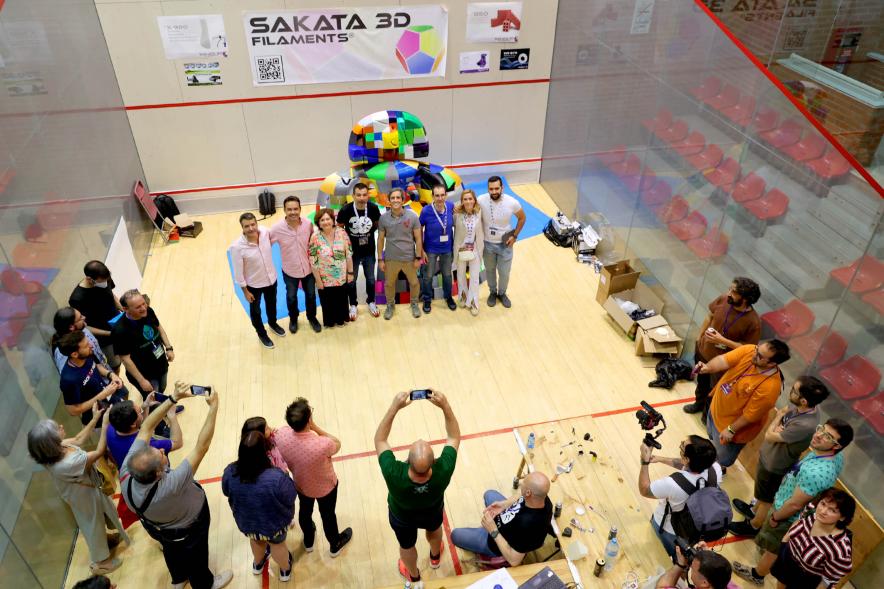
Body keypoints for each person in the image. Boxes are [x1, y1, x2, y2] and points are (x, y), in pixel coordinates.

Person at [120, 383, 232, 589]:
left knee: (172, 551)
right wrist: (213, 407)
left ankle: (179, 579)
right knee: (198, 556)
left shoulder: (128, 470)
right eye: (160, 455)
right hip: (189, 526)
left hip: (161, 527)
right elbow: (202, 447)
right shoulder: (171, 484)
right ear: (158, 474)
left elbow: (145, 428)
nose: (162, 452)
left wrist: (173, 398)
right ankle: (205, 584)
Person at [730, 419, 853, 586]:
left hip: (785, 516)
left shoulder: (815, 473)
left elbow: (795, 504)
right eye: (821, 429)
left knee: (773, 550)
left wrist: (775, 517)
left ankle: (757, 575)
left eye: (827, 436)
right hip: (786, 508)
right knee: (774, 548)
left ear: (837, 445)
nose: (818, 435)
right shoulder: (833, 455)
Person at [374, 390, 460, 587]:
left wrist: (394, 408)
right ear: (433, 463)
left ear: (407, 462)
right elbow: (454, 437)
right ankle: (435, 557)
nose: (421, 439)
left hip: (401, 518)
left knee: (406, 545)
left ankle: (413, 575)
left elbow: (380, 440)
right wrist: (445, 405)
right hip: (432, 512)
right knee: (435, 529)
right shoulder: (443, 469)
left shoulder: (393, 472)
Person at [27, 410, 129, 575]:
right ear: (52, 442)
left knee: (101, 515)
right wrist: (103, 425)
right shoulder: (66, 463)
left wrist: (94, 418)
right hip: (82, 496)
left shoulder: (58, 449)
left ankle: (105, 540)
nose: (61, 426)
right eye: (57, 428)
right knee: (92, 524)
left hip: (84, 490)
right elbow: (98, 452)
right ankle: (101, 563)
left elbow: (79, 439)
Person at [729, 377, 829, 535]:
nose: (790, 392)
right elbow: (774, 432)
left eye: (794, 391)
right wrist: (777, 427)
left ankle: (754, 526)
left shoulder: (804, 425)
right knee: (762, 492)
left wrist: (777, 418)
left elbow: (769, 435)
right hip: (770, 456)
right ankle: (754, 510)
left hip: (774, 465)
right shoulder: (804, 406)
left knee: (767, 498)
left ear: (803, 401)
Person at [274, 397, 353, 557]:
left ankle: (308, 541)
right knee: (328, 515)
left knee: (305, 512)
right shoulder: (322, 444)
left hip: (302, 486)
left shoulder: (281, 435)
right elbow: (336, 442)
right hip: (326, 489)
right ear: (308, 420)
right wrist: (315, 427)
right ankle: (334, 544)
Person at [696, 340, 790, 467]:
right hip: (715, 411)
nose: (754, 353)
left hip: (732, 429)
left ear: (772, 363)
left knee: (721, 460)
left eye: (760, 356)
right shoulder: (750, 350)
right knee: (711, 442)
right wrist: (708, 367)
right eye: (757, 349)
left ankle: (717, 472)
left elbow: (750, 416)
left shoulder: (770, 388)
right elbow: (723, 360)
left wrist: (731, 429)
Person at [222, 430, 297, 581]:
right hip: (274, 524)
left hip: (247, 522)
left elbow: (226, 491)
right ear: (264, 452)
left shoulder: (230, 472)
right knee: (277, 545)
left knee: (256, 540)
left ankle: (258, 564)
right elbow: (291, 496)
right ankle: (284, 571)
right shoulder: (276, 477)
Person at [684, 278, 762, 416]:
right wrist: (699, 337)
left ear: (745, 298)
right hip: (703, 351)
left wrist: (723, 341)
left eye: (734, 291)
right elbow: (709, 316)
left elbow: (748, 349)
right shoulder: (723, 299)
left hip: (723, 365)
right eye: (730, 289)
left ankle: (707, 415)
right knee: (702, 383)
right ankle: (698, 404)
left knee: (714, 390)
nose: (729, 293)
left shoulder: (753, 322)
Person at [638, 435, 722, 557]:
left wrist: (644, 462)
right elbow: (687, 466)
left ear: (687, 459)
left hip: (668, 530)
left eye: (683, 445)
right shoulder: (716, 469)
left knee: (659, 555)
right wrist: (660, 459)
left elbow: (645, 490)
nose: (681, 444)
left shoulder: (673, 484)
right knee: (681, 556)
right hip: (694, 530)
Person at [451, 472, 553, 567]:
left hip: (496, 543)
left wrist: (493, 530)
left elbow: (514, 561)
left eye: (523, 483)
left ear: (528, 493)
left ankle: (494, 555)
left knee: (455, 535)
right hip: (505, 526)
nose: (521, 483)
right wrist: (504, 505)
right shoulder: (543, 500)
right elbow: (521, 496)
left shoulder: (528, 525)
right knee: (489, 494)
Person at [769, 488, 855, 588]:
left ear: (842, 517)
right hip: (787, 557)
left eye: (832, 510)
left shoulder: (840, 549)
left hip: (804, 579)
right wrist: (785, 541)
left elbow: (827, 580)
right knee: (780, 581)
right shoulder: (811, 512)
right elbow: (798, 522)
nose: (823, 511)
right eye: (823, 504)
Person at [229, 212, 286, 348]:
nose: (251, 228)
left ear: (257, 223)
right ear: (242, 228)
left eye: (253, 224)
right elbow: (238, 272)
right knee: (255, 312)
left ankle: (273, 323)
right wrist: (245, 292)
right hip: (254, 286)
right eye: (246, 226)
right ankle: (261, 333)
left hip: (271, 280)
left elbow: (275, 239)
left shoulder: (265, 232)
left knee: (272, 305)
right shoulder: (237, 247)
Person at [112, 290, 176, 402]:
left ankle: (164, 407)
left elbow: (158, 327)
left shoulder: (148, 311)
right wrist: (141, 380)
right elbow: (125, 360)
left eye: (143, 303)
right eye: (138, 307)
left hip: (161, 363)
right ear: (126, 309)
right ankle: (160, 414)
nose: (143, 308)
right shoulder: (119, 331)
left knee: (161, 389)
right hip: (145, 374)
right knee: (152, 400)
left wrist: (169, 347)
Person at [270, 196, 322, 334]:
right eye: (289, 209)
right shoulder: (276, 229)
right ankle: (293, 319)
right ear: (284, 210)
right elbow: (265, 243)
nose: (293, 212)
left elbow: (315, 241)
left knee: (311, 295)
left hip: (309, 269)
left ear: (300, 209)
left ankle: (312, 318)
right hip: (290, 271)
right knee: (291, 297)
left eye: (295, 209)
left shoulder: (307, 224)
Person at [58, 330, 128, 425]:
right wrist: (103, 395)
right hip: (100, 420)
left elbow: (96, 365)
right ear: (74, 354)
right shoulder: (68, 380)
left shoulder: (86, 354)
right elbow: (73, 410)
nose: (91, 345)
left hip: (112, 401)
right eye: (86, 345)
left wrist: (111, 375)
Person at [477, 176, 526, 309]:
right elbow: (468, 207)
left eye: (496, 188)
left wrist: (515, 236)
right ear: (488, 189)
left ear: (502, 188)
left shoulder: (512, 202)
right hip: (488, 244)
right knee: (490, 270)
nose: (494, 192)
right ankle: (492, 292)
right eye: (491, 189)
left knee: (504, 272)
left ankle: (502, 293)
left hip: (506, 244)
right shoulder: (481, 200)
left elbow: (522, 218)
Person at [69, 260, 124, 372]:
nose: (105, 283)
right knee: (115, 364)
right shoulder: (77, 299)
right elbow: (85, 326)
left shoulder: (104, 277)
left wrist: (124, 310)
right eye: (101, 281)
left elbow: (111, 294)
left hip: (118, 326)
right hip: (104, 339)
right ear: (90, 279)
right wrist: (109, 334)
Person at [337, 182, 382, 319]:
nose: (362, 198)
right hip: (352, 254)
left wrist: (366, 233)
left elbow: (377, 224)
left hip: (369, 251)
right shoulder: (345, 210)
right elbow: (339, 229)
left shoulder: (373, 208)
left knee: (370, 279)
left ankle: (371, 301)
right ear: (353, 196)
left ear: (368, 195)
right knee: (352, 279)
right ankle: (353, 305)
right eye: (358, 195)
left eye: (364, 195)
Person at [377, 188, 423, 320]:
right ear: (389, 201)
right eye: (393, 198)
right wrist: (380, 259)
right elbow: (380, 240)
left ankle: (414, 303)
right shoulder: (383, 218)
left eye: (398, 198)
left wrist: (418, 257)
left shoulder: (412, 216)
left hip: (409, 258)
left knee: (414, 283)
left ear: (403, 200)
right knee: (389, 284)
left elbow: (418, 238)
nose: (396, 200)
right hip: (391, 259)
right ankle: (390, 305)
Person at [107, 394, 182, 468]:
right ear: (133, 424)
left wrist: (146, 406)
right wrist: (172, 416)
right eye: (140, 412)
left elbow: (143, 427)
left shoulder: (111, 427)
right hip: (157, 470)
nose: (141, 411)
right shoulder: (150, 446)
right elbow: (177, 443)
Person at [308, 208, 354, 328]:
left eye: (328, 219)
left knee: (342, 299)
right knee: (328, 302)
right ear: (318, 223)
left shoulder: (342, 233)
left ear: (333, 220)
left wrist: (350, 273)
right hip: (325, 278)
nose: (325, 222)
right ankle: (330, 322)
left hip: (341, 276)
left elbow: (348, 254)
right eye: (322, 220)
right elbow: (313, 261)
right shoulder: (315, 237)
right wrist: (318, 280)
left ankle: (341, 320)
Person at [419, 184, 457, 313]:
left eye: (442, 195)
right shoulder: (426, 211)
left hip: (447, 248)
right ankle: (427, 299)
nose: (440, 198)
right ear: (432, 196)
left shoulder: (451, 206)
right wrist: (421, 250)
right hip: (430, 250)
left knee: (447, 275)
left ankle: (448, 297)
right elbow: (419, 229)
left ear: (446, 195)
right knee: (428, 276)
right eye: (437, 195)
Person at [453, 188, 484, 316]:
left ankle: (473, 302)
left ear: (474, 200)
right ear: (461, 201)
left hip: (475, 249)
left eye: (470, 198)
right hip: (460, 249)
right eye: (465, 199)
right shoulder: (456, 214)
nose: (468, 201)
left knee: (474, 277)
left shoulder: (480, 212)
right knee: (460, 275)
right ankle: (463, 296)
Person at [655, 542, 736, 589]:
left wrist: (680, 565)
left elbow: (661, 587)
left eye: (692, 569)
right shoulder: (727, 583)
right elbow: (718, 569)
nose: (690, 567)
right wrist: (708, 556)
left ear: (704, 583)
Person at [51, 307, 109, 373]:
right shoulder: (63, 352)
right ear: (71, 327)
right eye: (80, 317)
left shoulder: (81, 330)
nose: (84, 317)